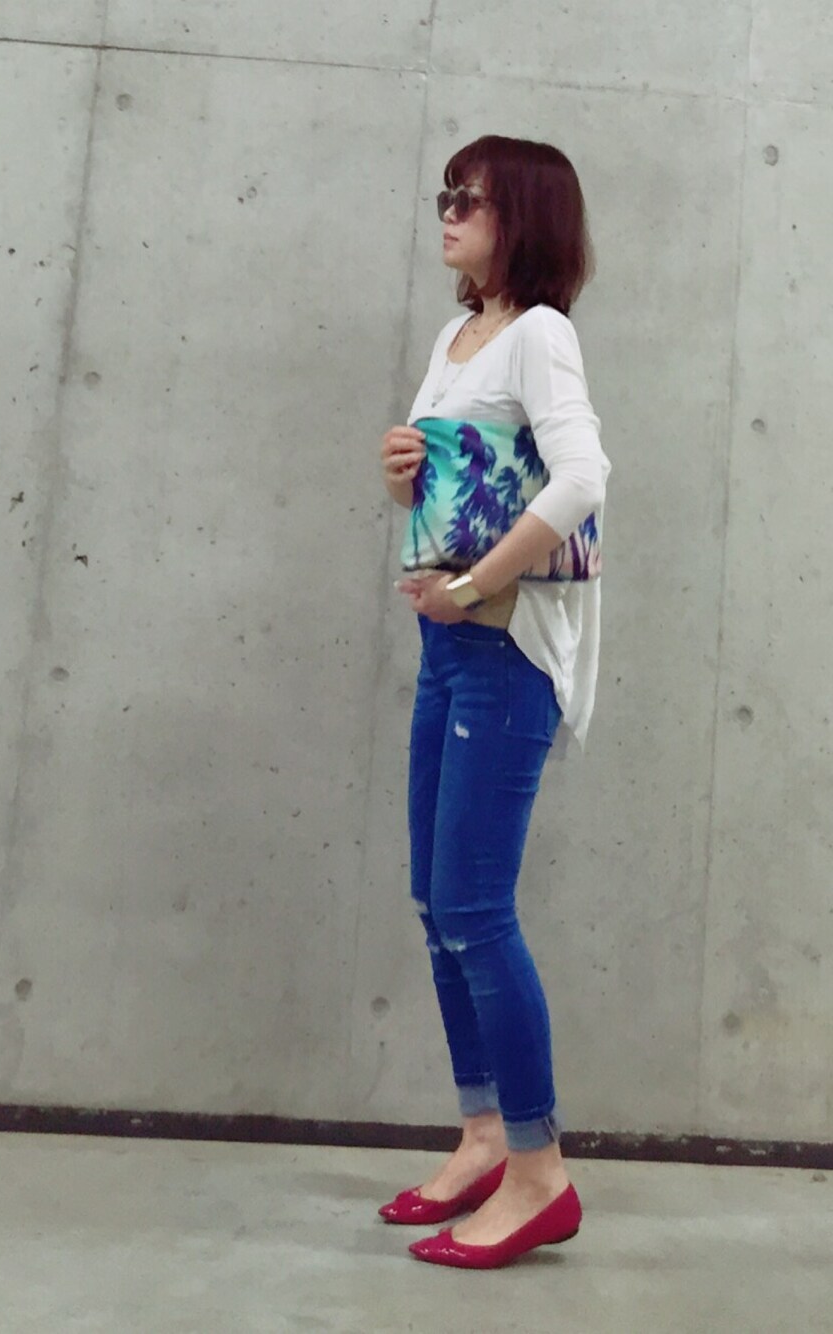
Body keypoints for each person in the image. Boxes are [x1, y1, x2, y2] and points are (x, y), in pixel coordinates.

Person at [377, 135, 611, 1270]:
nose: (448, 211)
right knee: (437, 902)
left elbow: (582, 480)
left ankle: (538, 1169)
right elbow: (463, 483)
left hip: (505, 650)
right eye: (446, 193)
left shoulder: (540, 333)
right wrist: (404, 474)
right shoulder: (457, 336)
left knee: (475, 907)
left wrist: (473, 587)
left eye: (468, 197)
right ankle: (481, 1132)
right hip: (448, 646)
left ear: (522, 215)